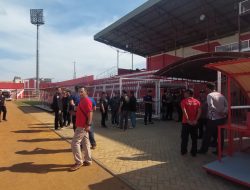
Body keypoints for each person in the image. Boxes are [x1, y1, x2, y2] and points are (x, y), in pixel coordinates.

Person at [198, 82, 228, 154]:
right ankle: (219, 151)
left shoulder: (209, 95)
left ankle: (203, 150)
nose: (206, 89)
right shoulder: (221, 95)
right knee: (220, 135)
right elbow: (227, 105)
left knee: (207, 135)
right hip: (222, 118)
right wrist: (223, 112)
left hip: (213, 119)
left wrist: (218, 112)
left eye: (206, 88)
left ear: (208, 88)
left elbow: (211, 106)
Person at [70, 87, 93, 171]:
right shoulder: (81, 101)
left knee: (74, 143)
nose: (80, 93)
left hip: (82, 126)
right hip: (82, 125)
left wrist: (88, 124)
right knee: (86, 143)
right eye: (79, 91)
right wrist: (75, 110)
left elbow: (90, 113)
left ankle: (79, 162)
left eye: (82, 92)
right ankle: (88, 160)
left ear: (86, 92)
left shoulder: (87, 101)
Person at [181, 89, 201, 157]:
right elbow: (199, 111)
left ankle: (183, 151)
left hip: (186, 123)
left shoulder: (183, 101)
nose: (184, 94)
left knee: (184, 138)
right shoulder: (197, 102)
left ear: (188, 93)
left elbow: (184, 111)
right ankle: (194, 152)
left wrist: (188, 120)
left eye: (185, 93)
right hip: (194, 123)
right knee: (194, 138)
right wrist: (196, 120)